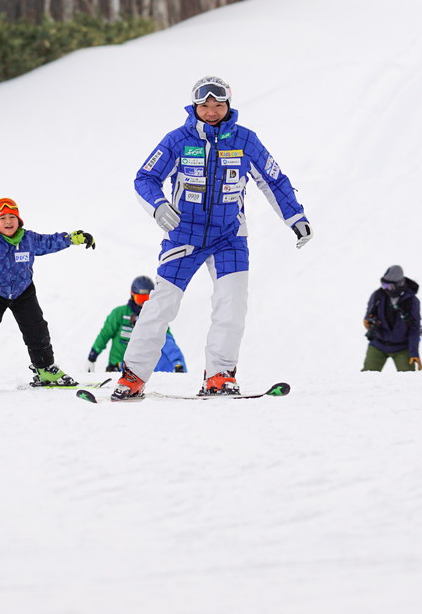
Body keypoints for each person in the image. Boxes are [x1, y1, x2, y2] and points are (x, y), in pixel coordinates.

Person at [112, 75, 311, 401]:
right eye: (205, 105)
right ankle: (132, 377)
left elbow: (273, 180)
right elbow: (145, 178)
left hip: (229, 238)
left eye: (218, 104)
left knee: (231, 307)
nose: (212, 111)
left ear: (228, 105)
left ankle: (219, 376)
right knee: (160, 306)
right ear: (195, 106)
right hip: (183, 237)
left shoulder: (246, 140)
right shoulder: (178, 140)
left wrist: (296, 217)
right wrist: (159, 206)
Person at [0, 197, 95, 391]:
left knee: (37, 329)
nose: (8, 222)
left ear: (19, 220)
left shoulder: (28, 239)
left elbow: (50, 241)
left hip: (23, 292)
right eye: (3, 218)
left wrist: (73, 238)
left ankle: (45, 368)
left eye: (12, 217)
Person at [87, 275, 186, 373]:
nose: (143, 303)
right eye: (140, 298)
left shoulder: (154, 317)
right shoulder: (119, 313)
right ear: (132, 295)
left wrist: (177, 363)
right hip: (117, 367)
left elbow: (167, 340)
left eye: (146, 299)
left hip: (140, 371)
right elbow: (105, 334)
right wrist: (93, 354)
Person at [361, 265, 422, 371]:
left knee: (408, 378)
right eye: (384, 285)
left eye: (389, 286)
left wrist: (414, 353)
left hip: (402, 348)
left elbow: (414, 328)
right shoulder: (378, 296)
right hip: (378, 344)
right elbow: (369, 315)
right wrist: (368, 322)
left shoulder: (412, 301)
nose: (385, 289)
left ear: (399, 284)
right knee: (367, 375)